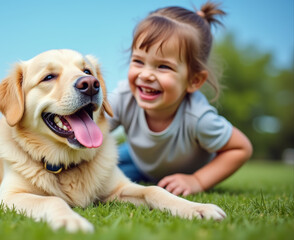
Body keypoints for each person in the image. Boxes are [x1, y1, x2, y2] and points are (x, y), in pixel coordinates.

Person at [108, 1, 253, 196]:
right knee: (104, 173)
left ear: (194, 80)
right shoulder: (124, 97)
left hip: (179, 174)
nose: (146, 75)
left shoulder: (198, 117)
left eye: (163, 66)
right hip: (136, 160)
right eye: (138, 61)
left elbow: (241, 148)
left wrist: (197, 180)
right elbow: (93, 127)